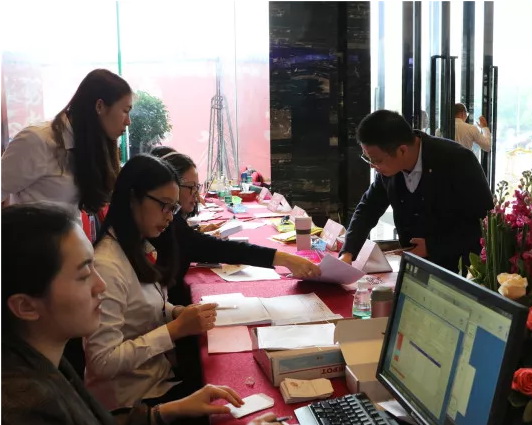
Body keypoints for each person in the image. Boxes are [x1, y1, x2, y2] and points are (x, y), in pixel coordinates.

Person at [1, 202, 281, 425]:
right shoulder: (26, 406)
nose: (100, 285)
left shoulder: (42, 361)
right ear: (26, 307)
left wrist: (165, 412)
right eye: (84, 274)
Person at [83, 154, 220, 418]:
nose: (170, 217)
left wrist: (175, 312)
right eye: (164, 206)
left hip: (157, 379)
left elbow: (139, 307)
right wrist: (175, 329)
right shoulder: (107, 265)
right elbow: (102, 362)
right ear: (132, 198)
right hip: (131, 403)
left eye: (174, 208)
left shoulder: (136, 246)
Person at [150, 147, 321, 306]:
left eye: (197, 187)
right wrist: (284, 259)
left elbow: (200, 245)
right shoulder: (164, 227)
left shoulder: (173, 223)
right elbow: (218, 248)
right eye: (191, 187)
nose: (197, 195)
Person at [339, 109, 494, 273]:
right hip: (414, 269)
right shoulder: (389, 169)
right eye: (367, 158)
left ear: (402, 150)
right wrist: (348, 253)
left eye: (376, 160)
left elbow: (484, 225)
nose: (372, 166)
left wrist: (432, 246)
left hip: (458, 271)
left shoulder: (457, 160)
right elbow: (368, 208)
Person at [1, 69, 132, 214]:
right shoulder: (37, 140)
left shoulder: (91, 146)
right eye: (125, 111)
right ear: (99, 106)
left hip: (70, 228)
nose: (128, 121)